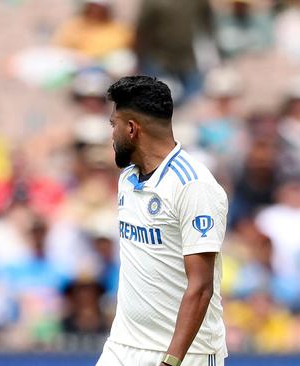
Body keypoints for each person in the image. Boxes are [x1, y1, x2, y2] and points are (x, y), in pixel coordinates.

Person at [96, 76, 228, 366]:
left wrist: (171, 361)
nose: (112, 134)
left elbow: (202, 286)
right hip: (123, 345)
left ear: (131, 129)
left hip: (186, 353)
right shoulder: (127, 180)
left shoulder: (193, 186)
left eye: (113, 125)